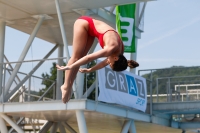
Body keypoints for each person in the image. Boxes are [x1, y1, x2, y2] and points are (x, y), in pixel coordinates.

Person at [56, 16, 139, 103]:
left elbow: (103, 63)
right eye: (110, 63)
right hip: (84, 23)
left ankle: (69, 85)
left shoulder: (119, 54)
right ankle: (65, 86)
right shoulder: (110, 48)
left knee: (80, 58)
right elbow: (89, 58)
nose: (108, 62)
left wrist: (90, 70)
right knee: (76, 57)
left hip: (91, 31)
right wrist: (70, 67)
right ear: (115, 58)